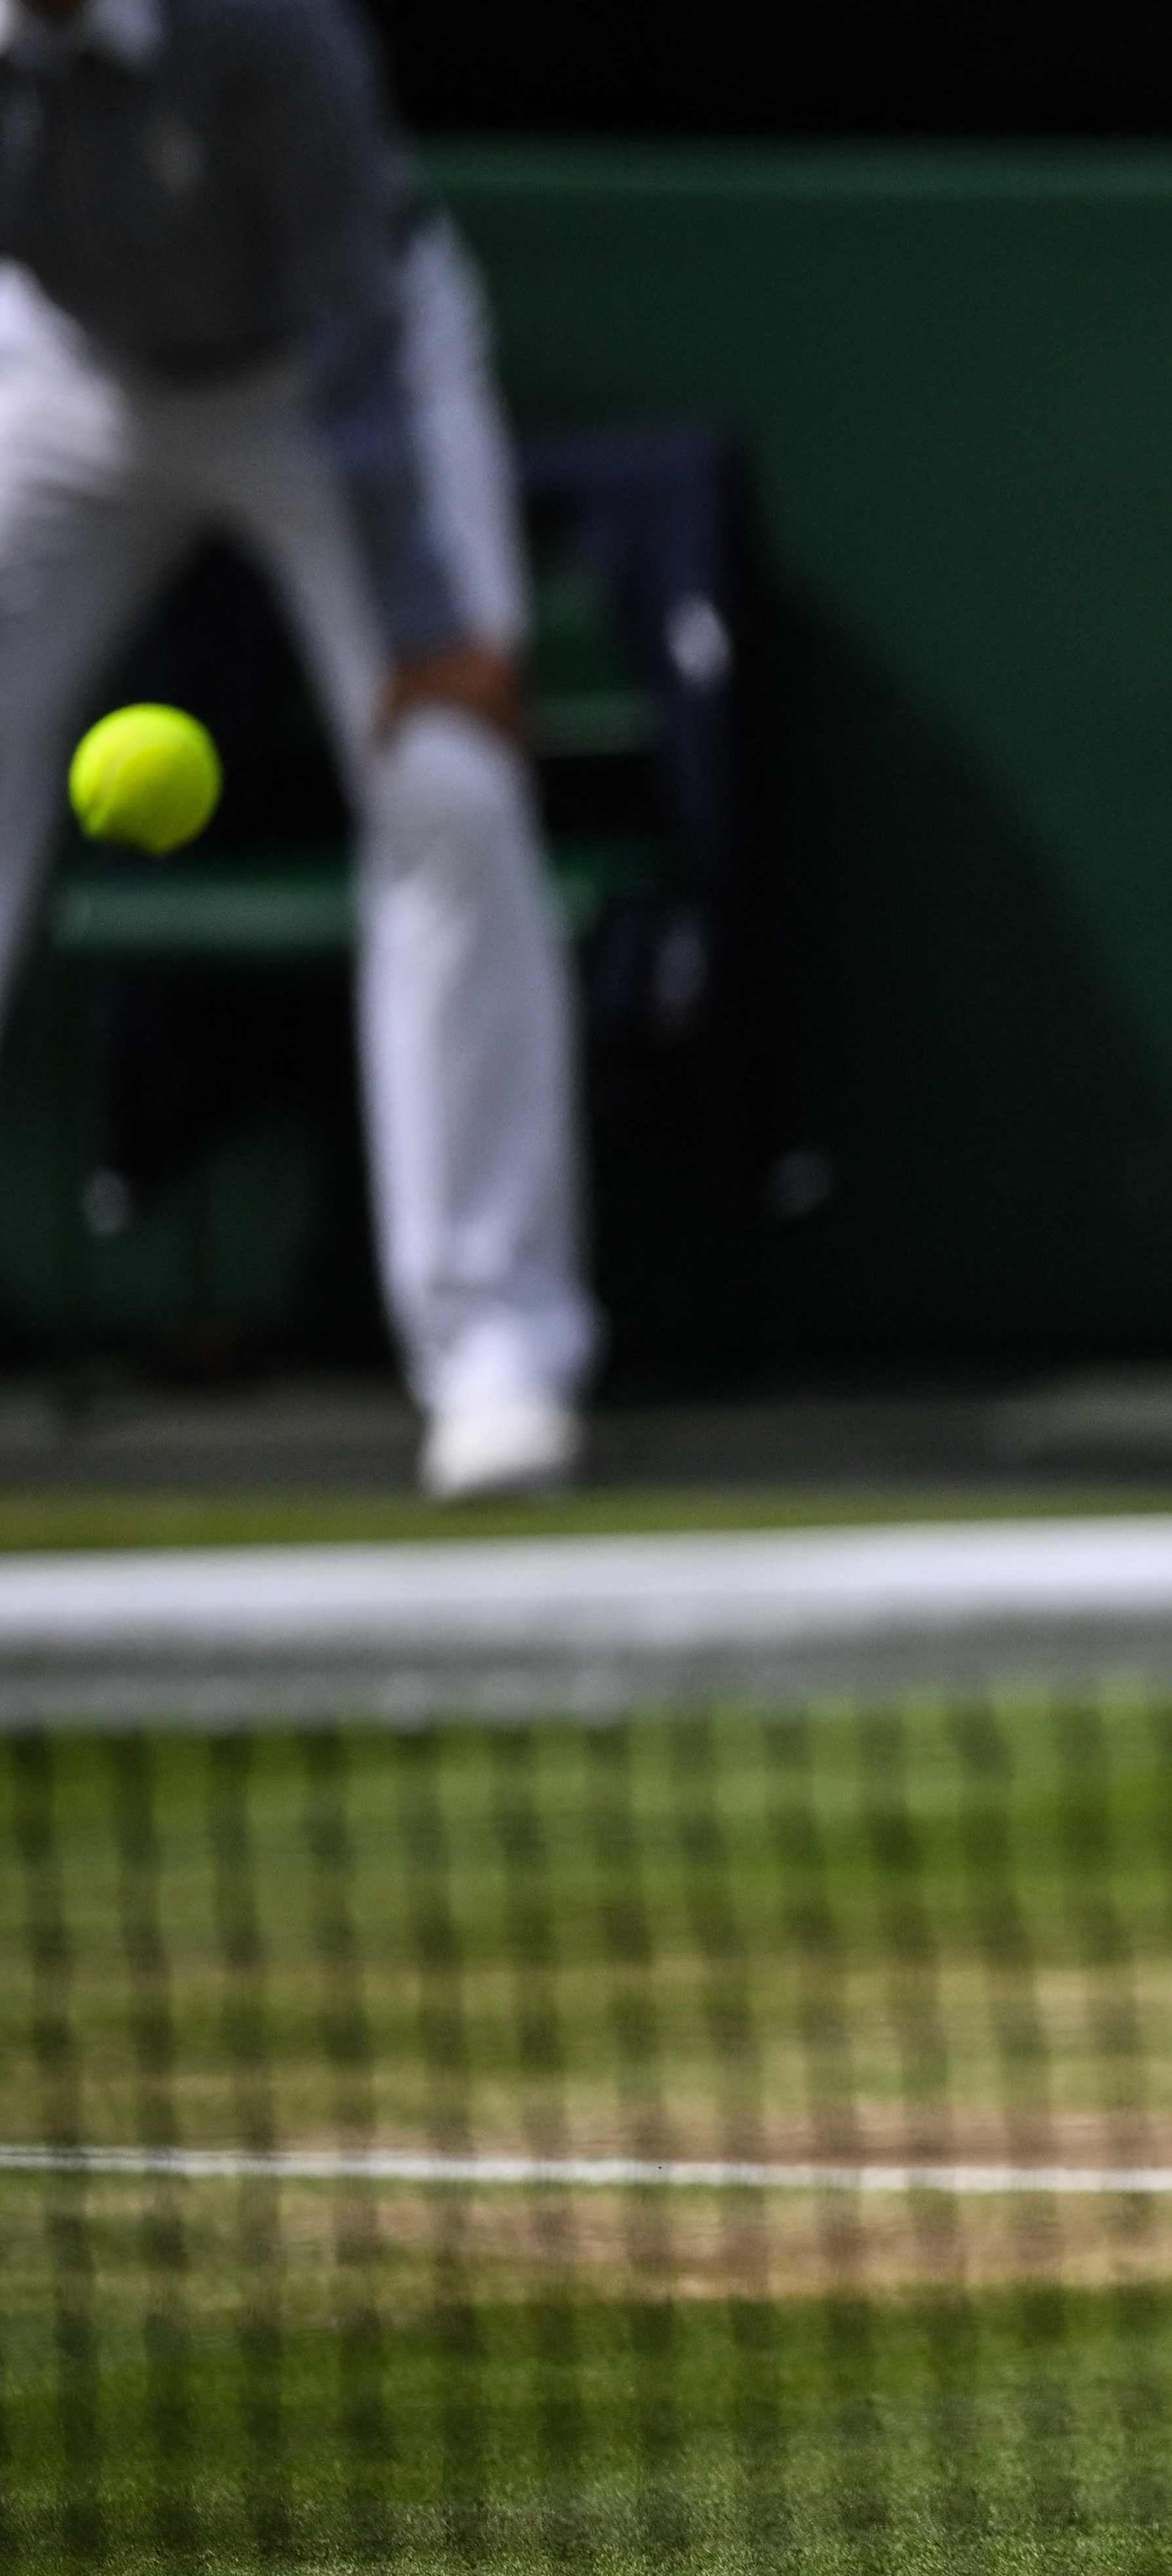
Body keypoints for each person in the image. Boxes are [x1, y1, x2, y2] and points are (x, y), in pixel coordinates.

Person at [0, 0, 592, 1499]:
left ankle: (496, 1344)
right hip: (58, 374)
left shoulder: (263, 24)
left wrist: (430, 624)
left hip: (326, 371)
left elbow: (354, 324)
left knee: (453, 786)